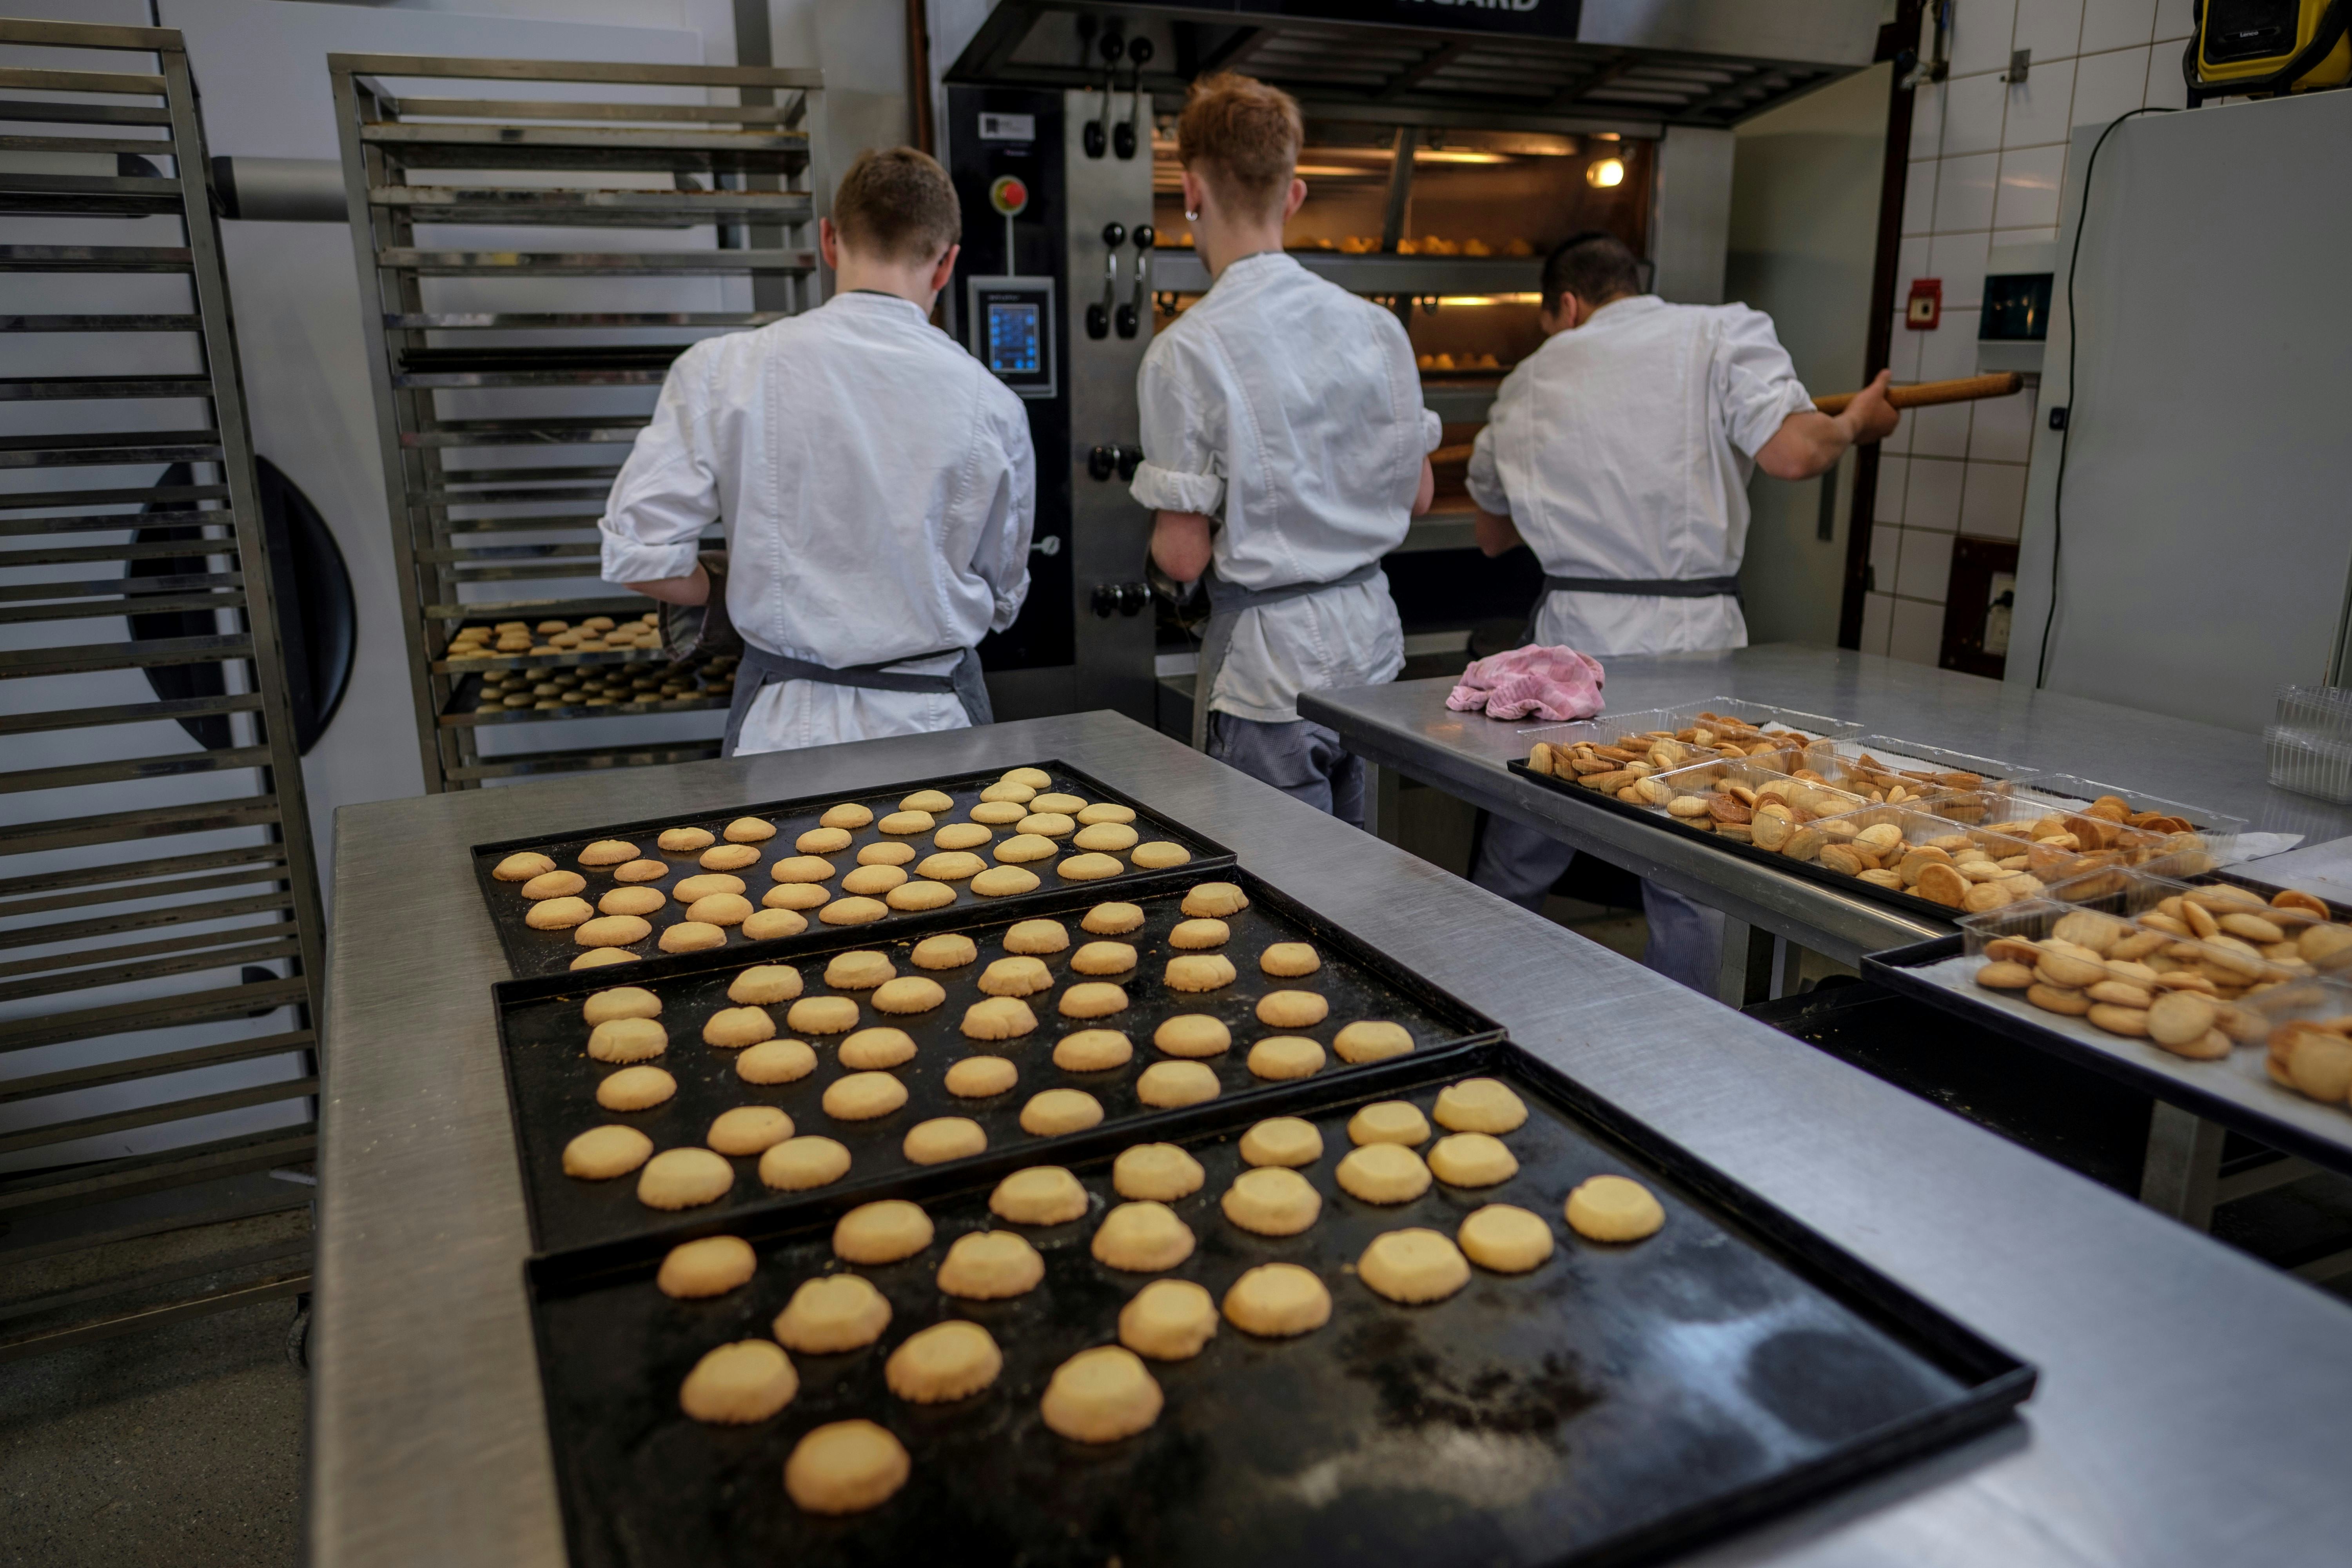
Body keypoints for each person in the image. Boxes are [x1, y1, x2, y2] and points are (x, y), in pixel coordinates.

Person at [1463, 230, 1897, 991]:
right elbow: (1796, 452)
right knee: (1688, 861)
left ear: (1568, 306)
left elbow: (1493, 536)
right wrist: (1859, 421)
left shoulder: (1527, 381)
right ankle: (1684, 1032)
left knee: (1526, 839)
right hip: (1693, 646)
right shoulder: (1720, 333)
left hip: (1571, 655)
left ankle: (1476, 996)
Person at [599, 146, 1034, 757]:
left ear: (829, 240)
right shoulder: (994, 405)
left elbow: (640, 560)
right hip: (931, 722)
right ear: (946, 265)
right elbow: (1003, 597)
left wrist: (739, 585)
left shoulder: (723, 370)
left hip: (781, 729)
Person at [1130, 71, 1439, 828]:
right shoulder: (1379, 329)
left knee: (1280, 886)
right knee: (1360, 879)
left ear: (1192, 190)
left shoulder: (1186, 350)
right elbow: (1421, 495)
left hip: (1268, 678)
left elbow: (1182, 557)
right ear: (1293, 195)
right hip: (1373, 657)